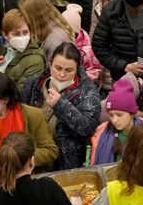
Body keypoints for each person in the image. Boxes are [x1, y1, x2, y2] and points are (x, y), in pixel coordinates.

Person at [21, 42, 99, 170]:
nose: (62, 74)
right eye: (58, 68)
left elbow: (88, 127)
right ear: (50, 64)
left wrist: (61, 105)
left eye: (69, 70)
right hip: (31, 156)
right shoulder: (33, 84)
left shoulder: (88, 92)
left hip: (63, 162)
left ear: (77, 69)